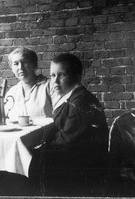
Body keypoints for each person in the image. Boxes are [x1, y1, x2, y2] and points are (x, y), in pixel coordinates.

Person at [29, 53, 109, 194]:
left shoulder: (81, 101)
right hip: (75, 158)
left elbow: (68, 141)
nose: (55, 81)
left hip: (83, 166)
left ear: (77, 77)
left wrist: (37, 153)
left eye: (62, 75)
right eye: (53, 76)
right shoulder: (71, 97)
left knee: (31, 163)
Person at [4, 47, 52, 121]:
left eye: (25, 62)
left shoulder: (49, 86)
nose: (20, 67)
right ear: (12, 69)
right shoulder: (12, 92)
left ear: (34, 65)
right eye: (16, 64)